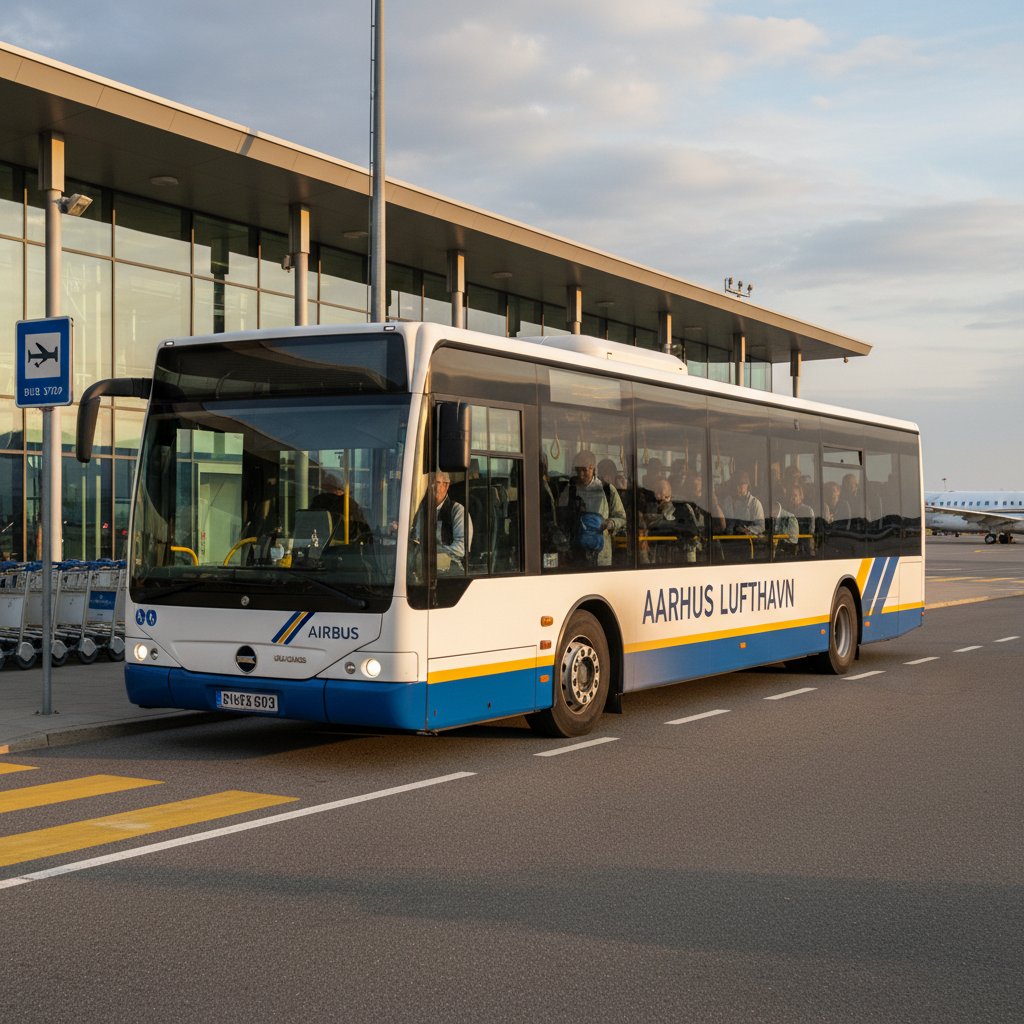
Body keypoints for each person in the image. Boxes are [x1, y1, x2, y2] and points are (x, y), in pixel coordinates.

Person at [557, 450, 626, 567]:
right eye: (578, 470)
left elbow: (622, 517)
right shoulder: (569, 491)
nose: (581, 474)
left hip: (601, 557)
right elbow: (560, 519)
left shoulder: (607, 490)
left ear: (593, 468)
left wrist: (610, 523)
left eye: (584, 470)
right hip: (576, 555)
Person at [310, 473, 372, 544]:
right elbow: (364, 530)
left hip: (323, 547)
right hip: (348, 548)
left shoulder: (318, 501)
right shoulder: (350, 504)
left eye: (326, 489)